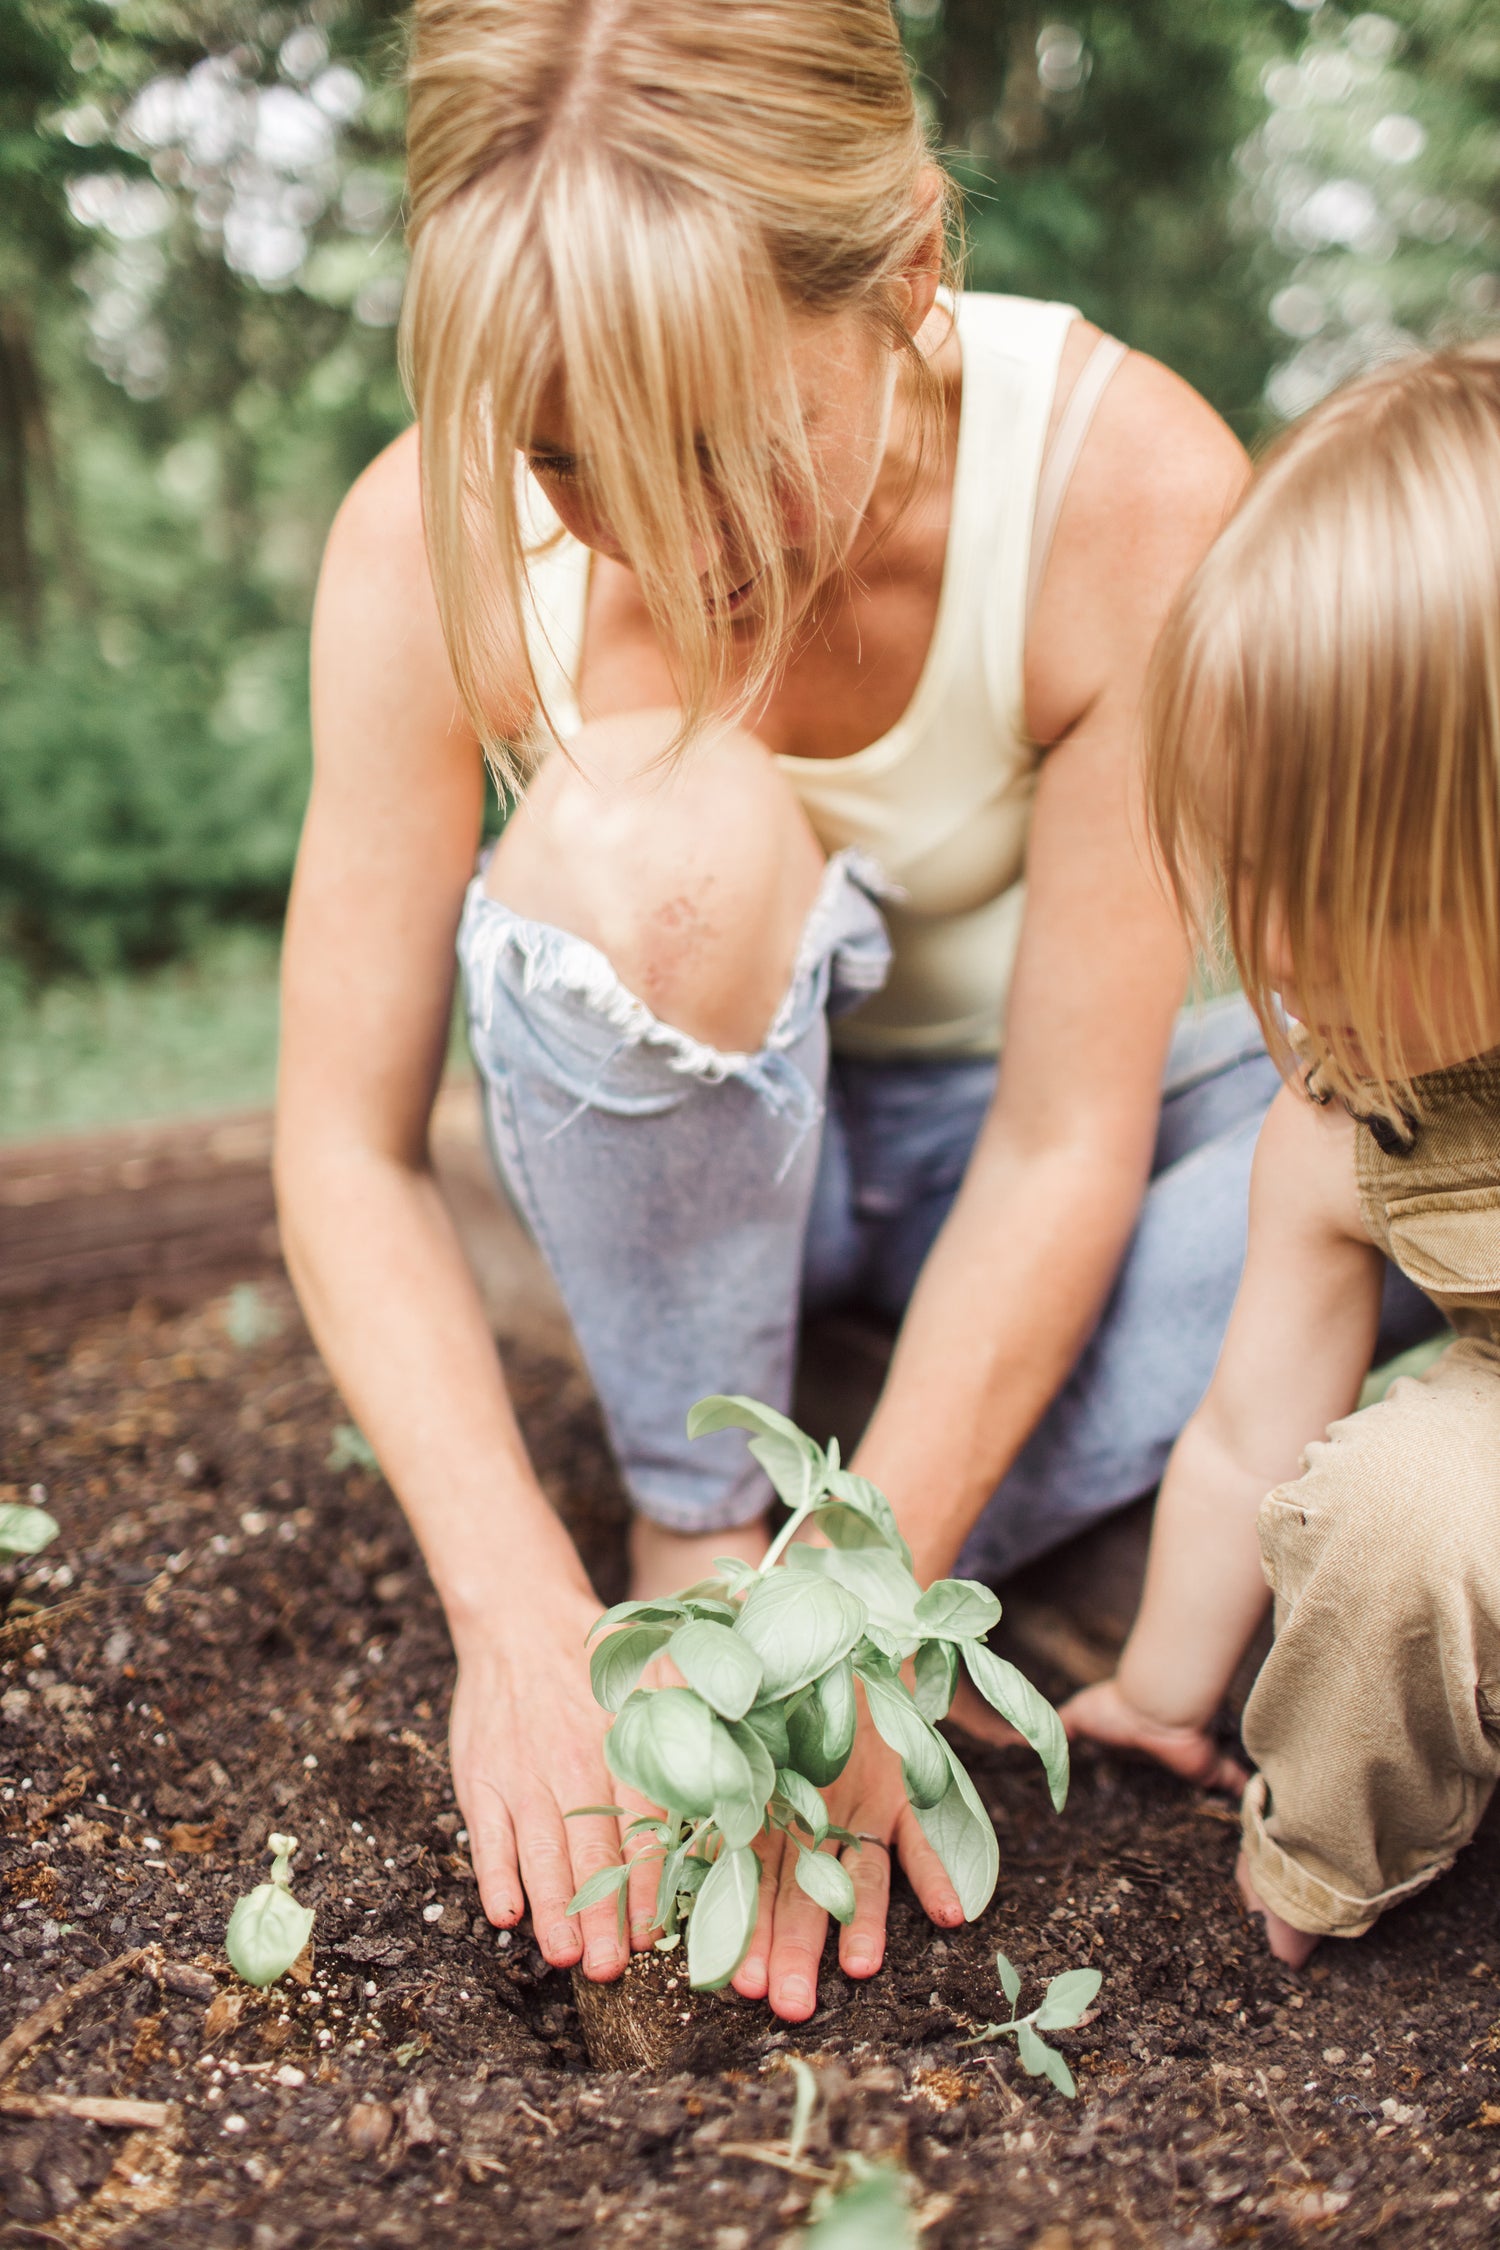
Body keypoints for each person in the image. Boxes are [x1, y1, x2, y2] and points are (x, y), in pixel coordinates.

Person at [275, 0, 1419, 2021]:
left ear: (909, 269)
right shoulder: (416, 530)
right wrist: (517, 1612)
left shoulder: (1124, 485)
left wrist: (867, 1604)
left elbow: (1073, 1133)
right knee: (670, 825)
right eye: (562, 455)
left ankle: (869, 1479)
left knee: (1388, 1160)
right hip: (723, 1188)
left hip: (1065, 1154)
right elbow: (342, 1146)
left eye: (710, 443)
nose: (635, 530)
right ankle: (697, 1519)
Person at [1061, 341, 1500, 1965]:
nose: (1293, 958)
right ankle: (1325, 1867)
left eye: (1365, 898)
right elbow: (1250, 1431)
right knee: (1392, 1508)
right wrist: (1162, 1687)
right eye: (1262, 888)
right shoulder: (1346, 1118)